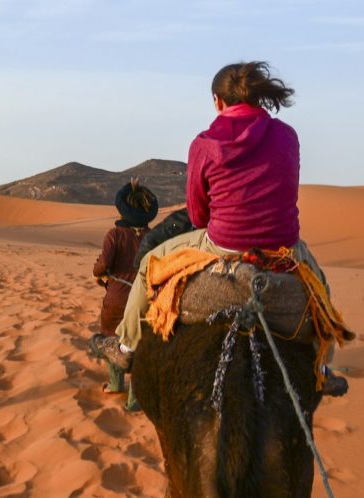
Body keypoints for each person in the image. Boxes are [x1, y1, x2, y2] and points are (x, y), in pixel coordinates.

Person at [93, 61, 350, 396]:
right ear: (258, 98)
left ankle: (126, 349)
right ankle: (321, 368)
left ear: (217, 101)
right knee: (319, 288)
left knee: (148, 266)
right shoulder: (287, 136)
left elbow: (199, 214)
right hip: (283, 245)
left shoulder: (204, 142)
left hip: (223, 243)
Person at [89, 179, 158, 410]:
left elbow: (102, 266)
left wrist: (100, 271)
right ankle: (135, 398)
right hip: (146, 300)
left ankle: (116, 384)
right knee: (139, 342)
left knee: (111, 338)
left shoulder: (115, 235)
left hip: (117, 298)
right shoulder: (154, 236)